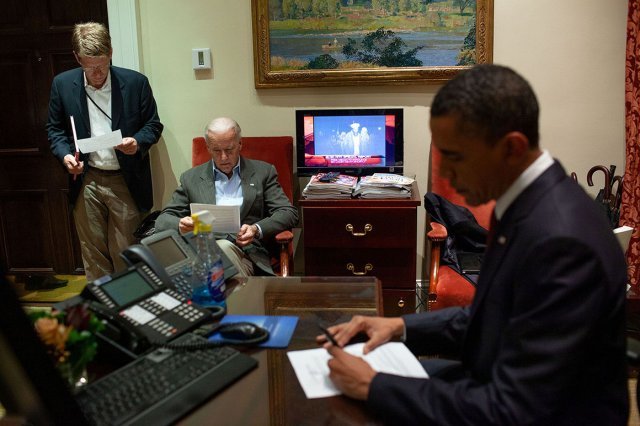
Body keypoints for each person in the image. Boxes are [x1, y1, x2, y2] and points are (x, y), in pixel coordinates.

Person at [318, 64, 629, 425]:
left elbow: (513, 413)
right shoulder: (528, 204)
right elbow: (492, 315)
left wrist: (374, 385)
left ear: (511, 147)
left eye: (455, 157)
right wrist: (399, 327)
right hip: (493, 382)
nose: (445, 175)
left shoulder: (562, 243)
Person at [47, 22, 163, 282]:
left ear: (111, 52)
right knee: (93, 253)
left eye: (101, 65)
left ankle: (131, 309)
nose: (97, 73)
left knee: (126, 251)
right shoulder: (63, 84)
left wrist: (137, 143)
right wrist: (66, 155)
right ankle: (103, 311)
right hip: (87, 179)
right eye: (89, 67)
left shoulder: (135, 83)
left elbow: (153, 125)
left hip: (125, 177)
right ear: (78, 58)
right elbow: (55, 130)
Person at [155, 117, 298, 276]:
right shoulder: (191, 178)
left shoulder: (262, 172)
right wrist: (181, 224)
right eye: (216, 150)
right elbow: (162, 221)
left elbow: (287, 213)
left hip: (246, 254)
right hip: (202, 252)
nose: (223, 157)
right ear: (208, 147)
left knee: (221, 251)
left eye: (229, 150)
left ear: (240, 144)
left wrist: (255, 229)